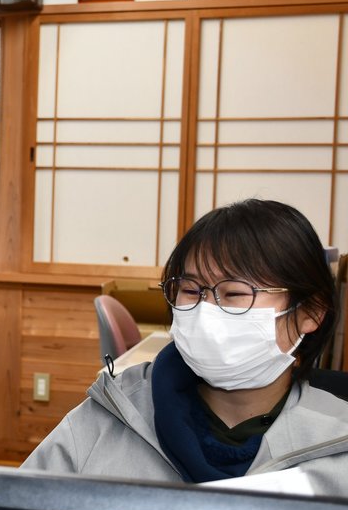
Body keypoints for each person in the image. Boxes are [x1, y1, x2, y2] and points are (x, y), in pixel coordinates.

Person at [23, 198, 348, 494]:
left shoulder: (336, 445)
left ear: (310, 312)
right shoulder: (107, 416)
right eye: (191, 290)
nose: (206, 311)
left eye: (235, 293)